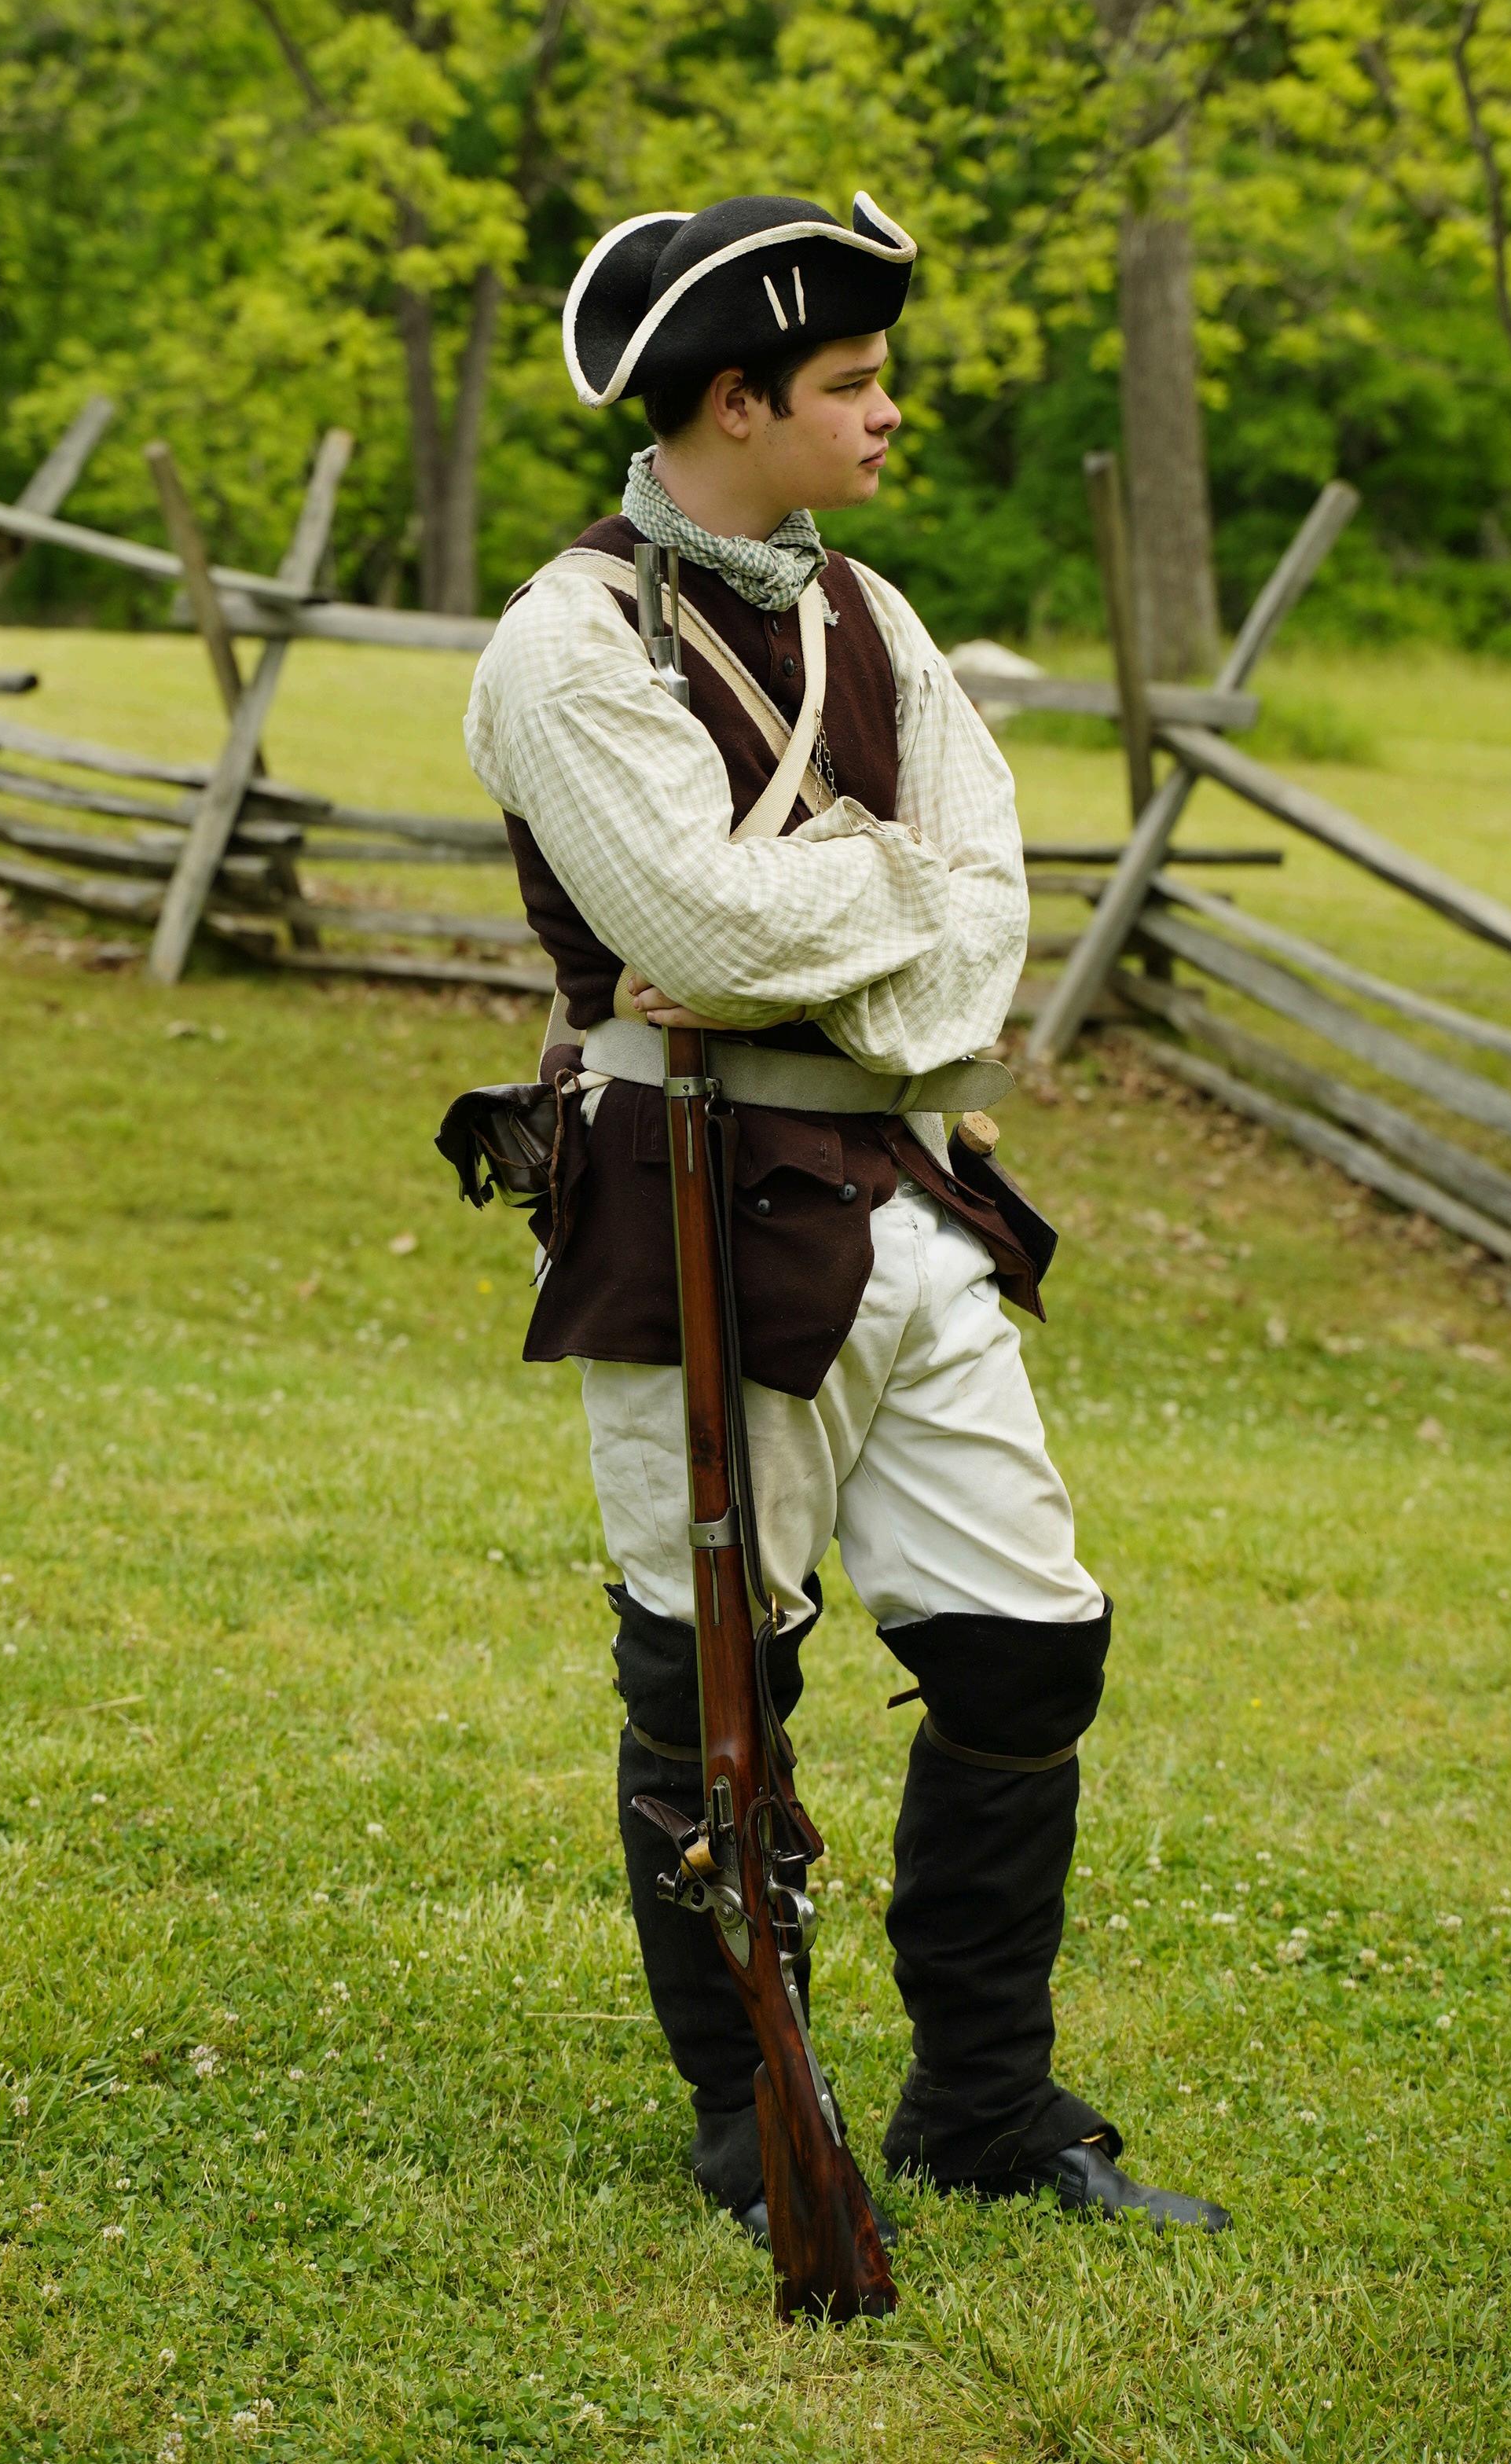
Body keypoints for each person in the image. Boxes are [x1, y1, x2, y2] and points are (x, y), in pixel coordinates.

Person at [461, 190, 1229, 2238]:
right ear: (738, 399)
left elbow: (982, 932)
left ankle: (986, 2108)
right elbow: (695, 923)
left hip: (907, 1183)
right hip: (687, 1202)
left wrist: (830, 927)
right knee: (714, 1675)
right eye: (855, 381)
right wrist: (883, 891)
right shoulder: (566, 642)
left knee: (1029, 1648)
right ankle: (753, 2118)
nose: (890, 413)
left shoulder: (875, 618)